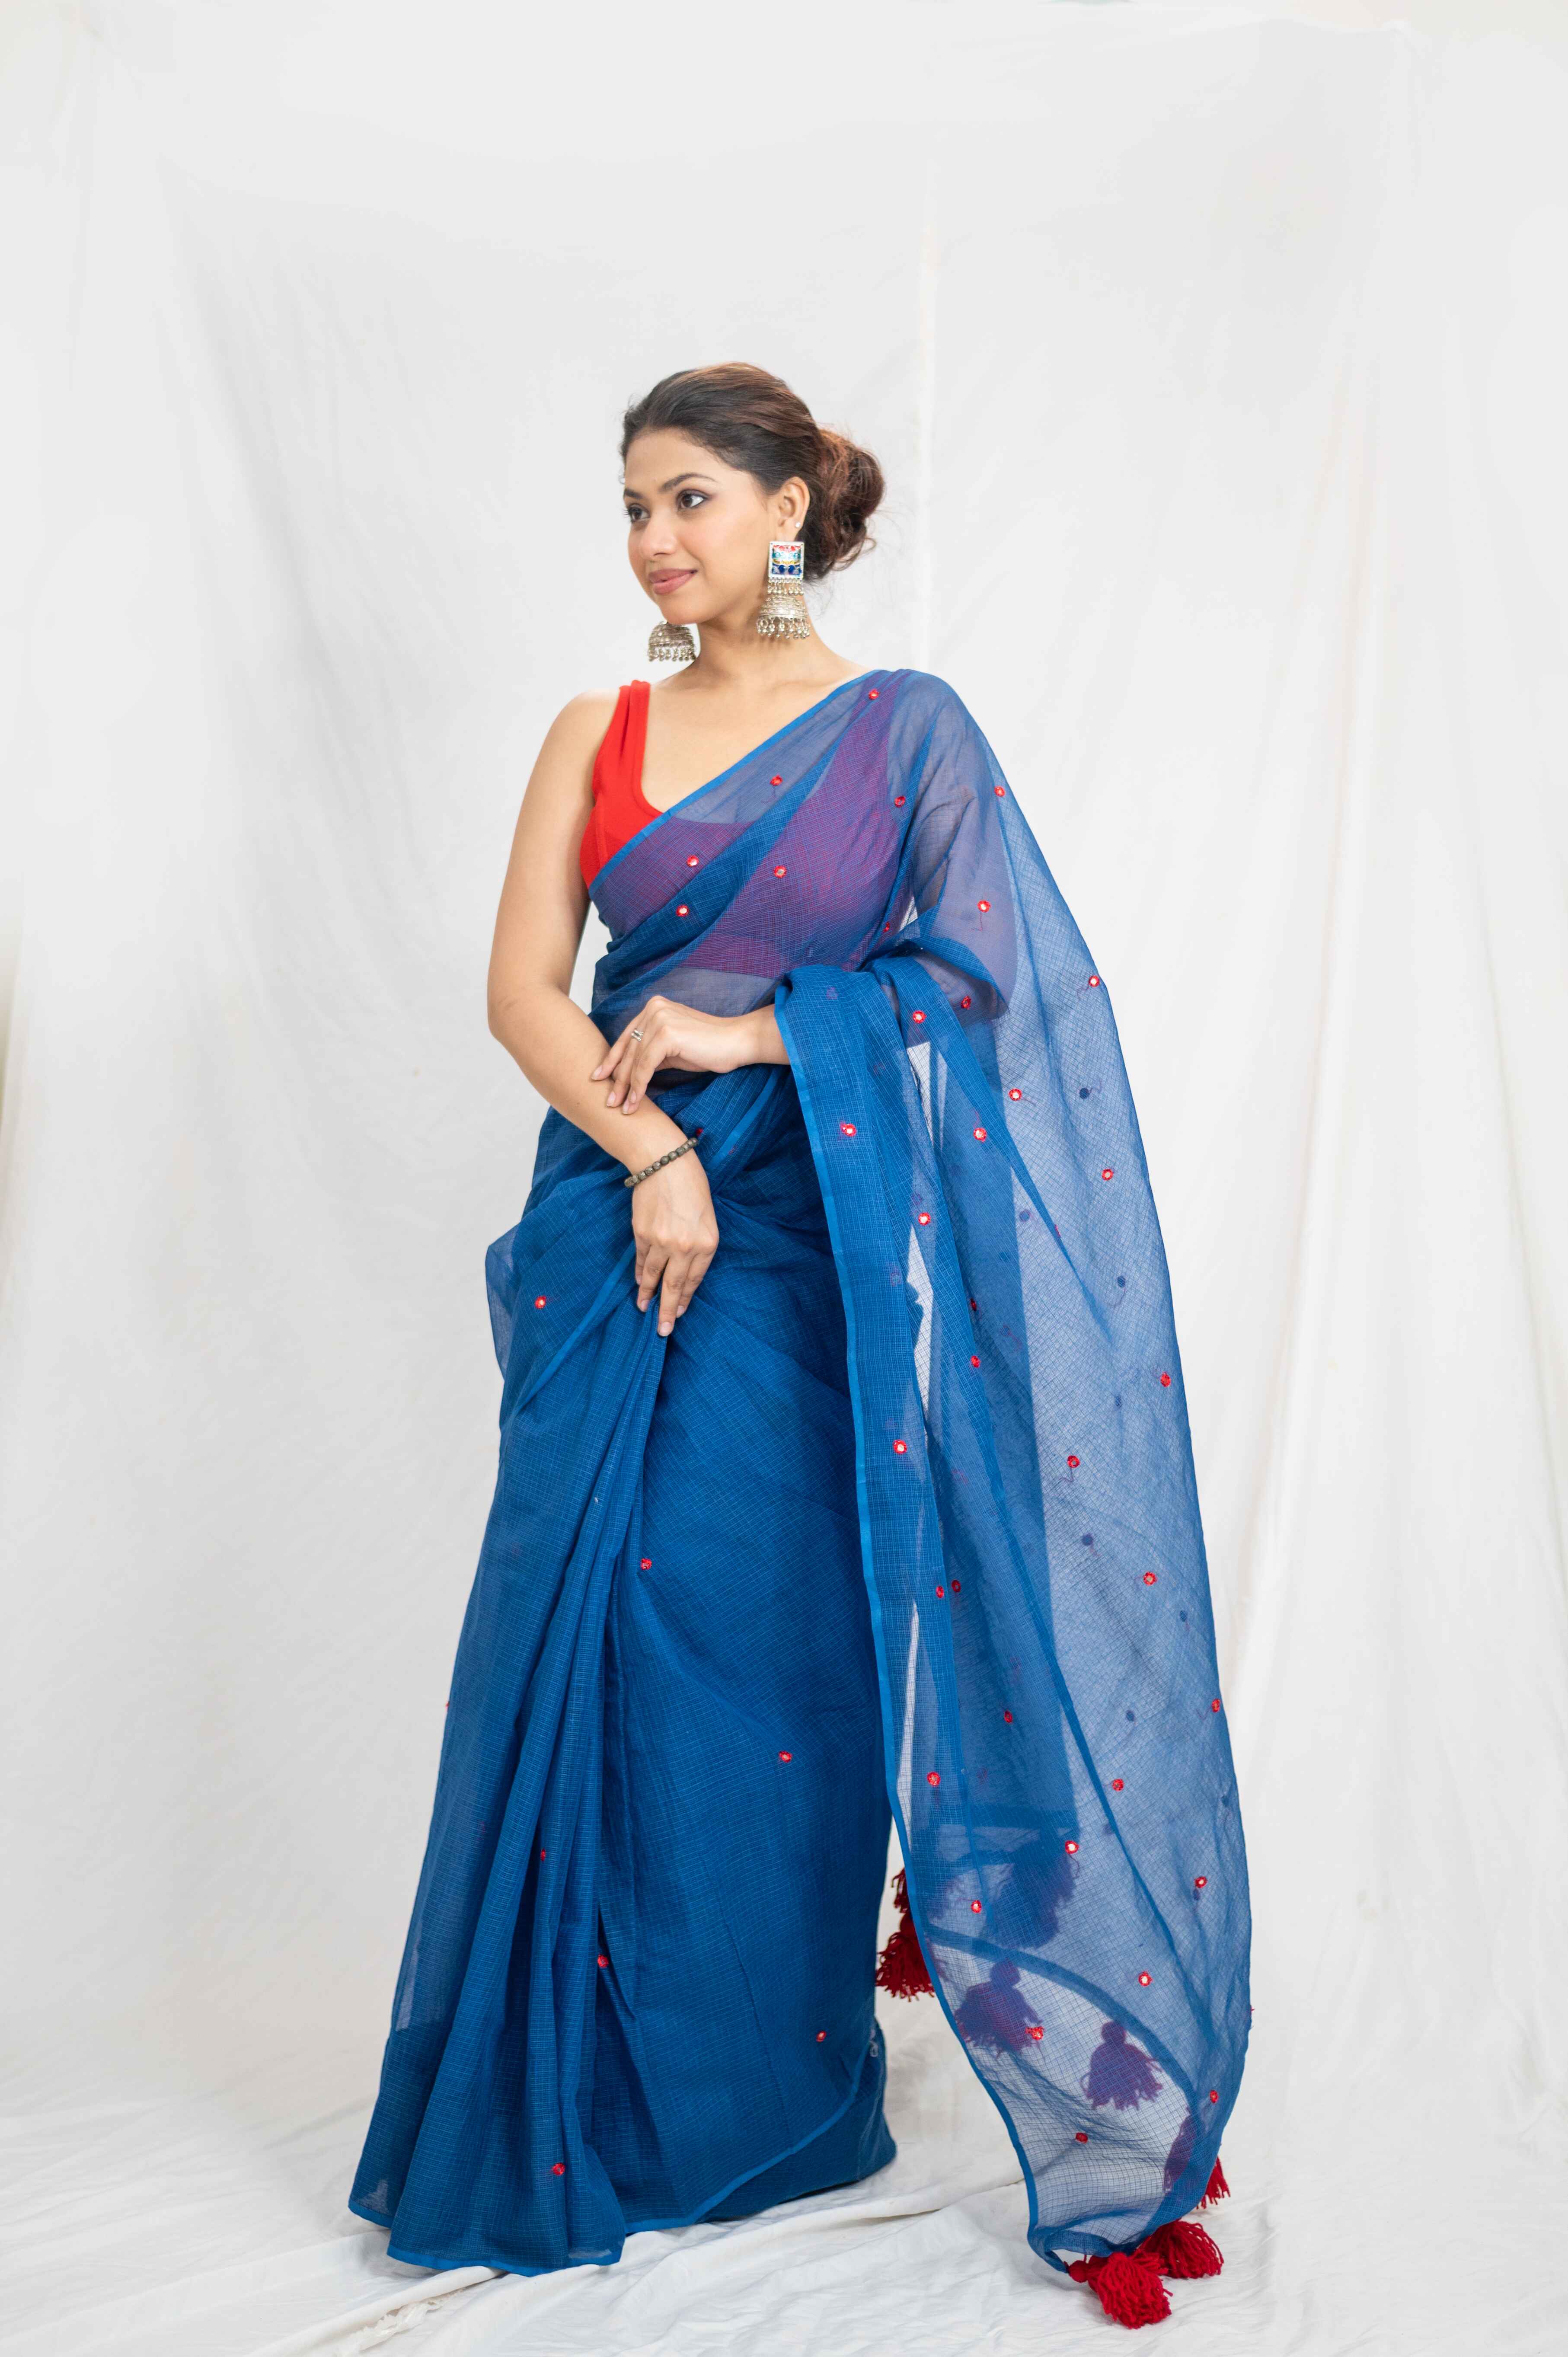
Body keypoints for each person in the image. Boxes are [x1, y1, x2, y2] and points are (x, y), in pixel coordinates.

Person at [348, 363, 1251, 2331]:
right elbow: (522, 991)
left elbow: (989, 976)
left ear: (785, 510)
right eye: (632, 505)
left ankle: (764, 2098)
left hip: (808, 1234)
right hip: (616, 1219)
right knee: (575, 1622)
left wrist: (754, 1038)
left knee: (768, 1641)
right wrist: (655, 1153)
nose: (654, 539)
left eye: (689, 498)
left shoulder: (903, 730)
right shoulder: (595, 729)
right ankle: (566, 2095)